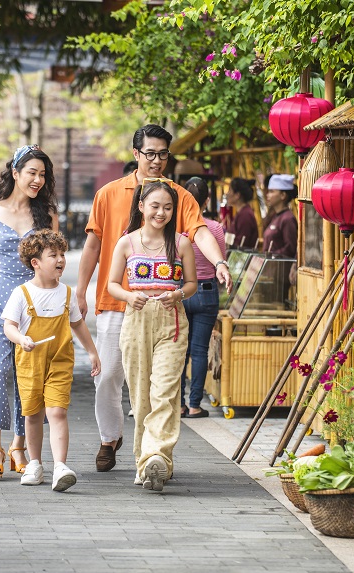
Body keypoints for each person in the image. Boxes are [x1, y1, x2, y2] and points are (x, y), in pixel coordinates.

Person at [76, 124, 231, 473]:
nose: (157, 160)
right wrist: (81, 291)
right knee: (109, 376)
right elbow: (93, 244)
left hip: (163, 309)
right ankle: (109, 437)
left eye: (163, 154)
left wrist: (219, 260)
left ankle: (153, 455)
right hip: (116, 300)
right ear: (135, 154)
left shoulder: (177, 195)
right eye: (150, 154)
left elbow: (199, 231)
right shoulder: (109, 193)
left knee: (156, 386)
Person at [0, 145, 59, 480]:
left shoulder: (46, 214)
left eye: (42, 174)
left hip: (34, 306)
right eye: (31, 172)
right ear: (15, 173)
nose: (37, 179)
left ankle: (19, 445)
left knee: (27, 378)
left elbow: (54, 261)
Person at [107, 179, 197, 492]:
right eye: (155, 206)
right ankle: (145, 462)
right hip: (136, 320)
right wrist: (129, 297)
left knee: (166, 393)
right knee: (141, 398)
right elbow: (112, 285)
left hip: (172, 321)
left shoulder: (182, 243)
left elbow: (191, 284)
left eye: (168, 207)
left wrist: (179, 295)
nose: (161, 212)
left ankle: (156, 458)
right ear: (142, 206)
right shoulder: (126, 242)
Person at [2, 230, 101, 491]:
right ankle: (34, 463)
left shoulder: (66, 294)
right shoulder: (21, 294)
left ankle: (60, 466)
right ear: (35, 262)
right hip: (30, 362)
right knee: (33, 414)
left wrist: (92, 351)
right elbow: (9, 326)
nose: (61, 260)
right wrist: (20, 338)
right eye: (53, 255)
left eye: (62, 254)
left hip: (60, 360)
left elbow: (78, 325)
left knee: (57, 411)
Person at [178, 178, 226, 418]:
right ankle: (195, 404)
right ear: (207, 200)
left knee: (179, 350)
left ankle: (179, 404)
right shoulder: (215, 228)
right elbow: (221, 259)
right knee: (199, 350)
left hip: (180, 291)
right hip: (206, 292)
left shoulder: (177, 229)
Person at [261, 174, 298, 258]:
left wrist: (272, 256)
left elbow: (290, 248)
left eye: (271, 191)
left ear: (283, 195)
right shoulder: (275, 216)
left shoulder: (288, 218)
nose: (268, 195)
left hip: (279, 268)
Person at [224, 177, 259, 250]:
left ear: (237, 195)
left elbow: (241, 244)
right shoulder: (241, 213)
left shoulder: (245, 215)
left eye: (230, 190)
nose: (227, 193)